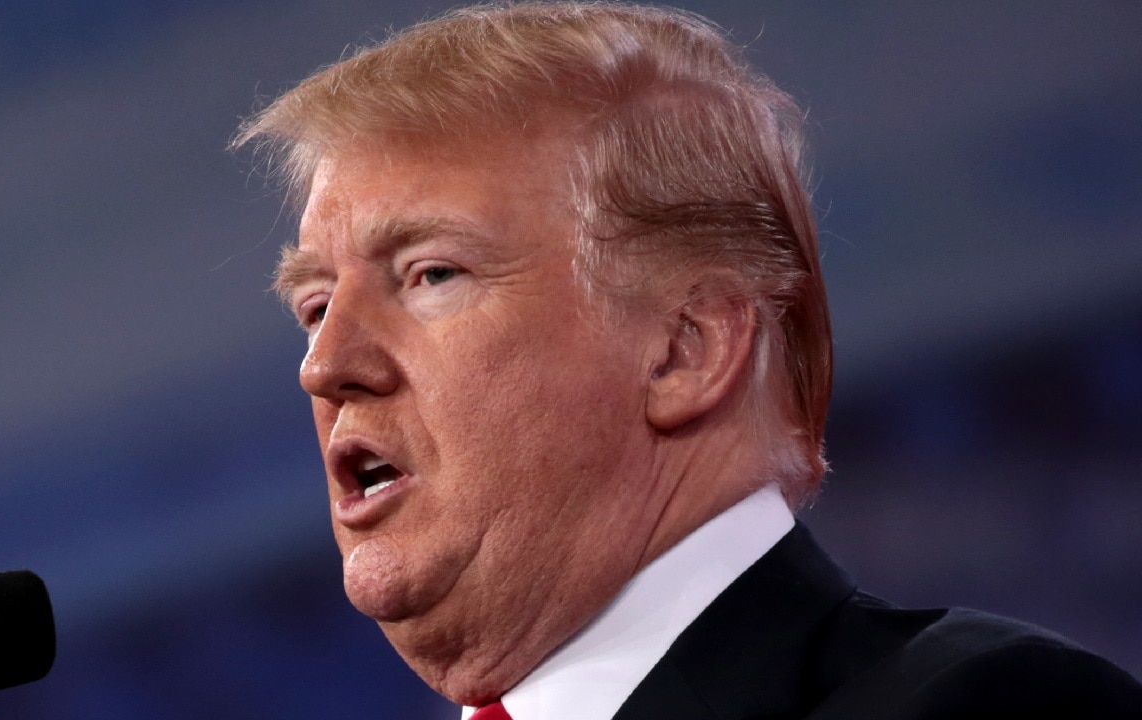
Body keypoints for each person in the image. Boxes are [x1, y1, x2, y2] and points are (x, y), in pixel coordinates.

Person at [233, 3, 1142, 718]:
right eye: (314, 306)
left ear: (685, 348)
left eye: (431, 274)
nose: (326, 365)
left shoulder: (980, 705)